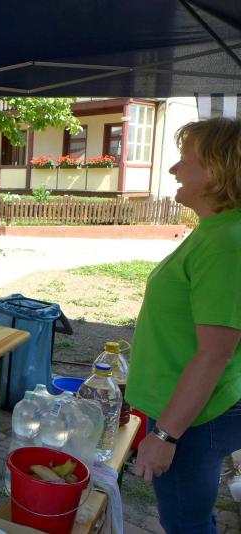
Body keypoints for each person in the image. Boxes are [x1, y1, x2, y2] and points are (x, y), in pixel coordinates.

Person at [127, 117, 241, 533]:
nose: (174, 169)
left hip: (192, 418)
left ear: (216, 170)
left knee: (185, 525)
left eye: (184, 159)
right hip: (182, 408)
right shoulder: (215, 230)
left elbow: (215, 353)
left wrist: (166, 436)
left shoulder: (226, 243)